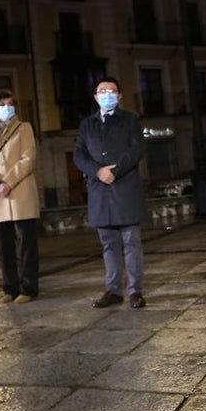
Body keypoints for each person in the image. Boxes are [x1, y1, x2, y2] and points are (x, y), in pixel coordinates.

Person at [73, 76, 148, 309]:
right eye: (102, 90)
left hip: (124, 188)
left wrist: (115, 170)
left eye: (112, 90)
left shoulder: (130, 120)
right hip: (100, 192)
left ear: (120, 96)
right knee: (109, 244)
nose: (107, 94)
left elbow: (136, 149)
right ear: (95, 97)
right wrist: (97, 171)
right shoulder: (87, 124)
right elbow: (79, 155)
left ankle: (135, 290)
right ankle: (113, 290)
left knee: (131, 242)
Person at [0, 89, 40, 304]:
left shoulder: (24, 128)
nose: (8, 107)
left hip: (20, 191)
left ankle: (29, 287)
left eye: (11, 103)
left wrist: (8, 181)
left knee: (26, 245)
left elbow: (28, 158)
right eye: (3, 104)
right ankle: (10, 287)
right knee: (4, 246)